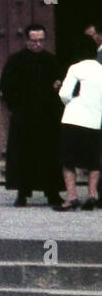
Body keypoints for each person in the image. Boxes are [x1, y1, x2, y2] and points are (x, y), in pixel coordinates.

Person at [0, 23, 65, 207]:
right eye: (34, 41)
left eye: (41, 40)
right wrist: (18, 106)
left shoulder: (51, 60)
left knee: (49, 156)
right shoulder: (15, 61)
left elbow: (61, 86)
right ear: (27, 40)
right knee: (23, 154)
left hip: (47, 118)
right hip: (24, 117)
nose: (37, 44)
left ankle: (52, 193)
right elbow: (5, 86)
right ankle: (22, 193)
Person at [56, 39, 102, 211]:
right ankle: (91, 195)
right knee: (93, 162)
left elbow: (65, 94)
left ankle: (72, 197)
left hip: (73, 119)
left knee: (68, 161)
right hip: (94, 121)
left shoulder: (75, 68)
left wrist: (72, 101)